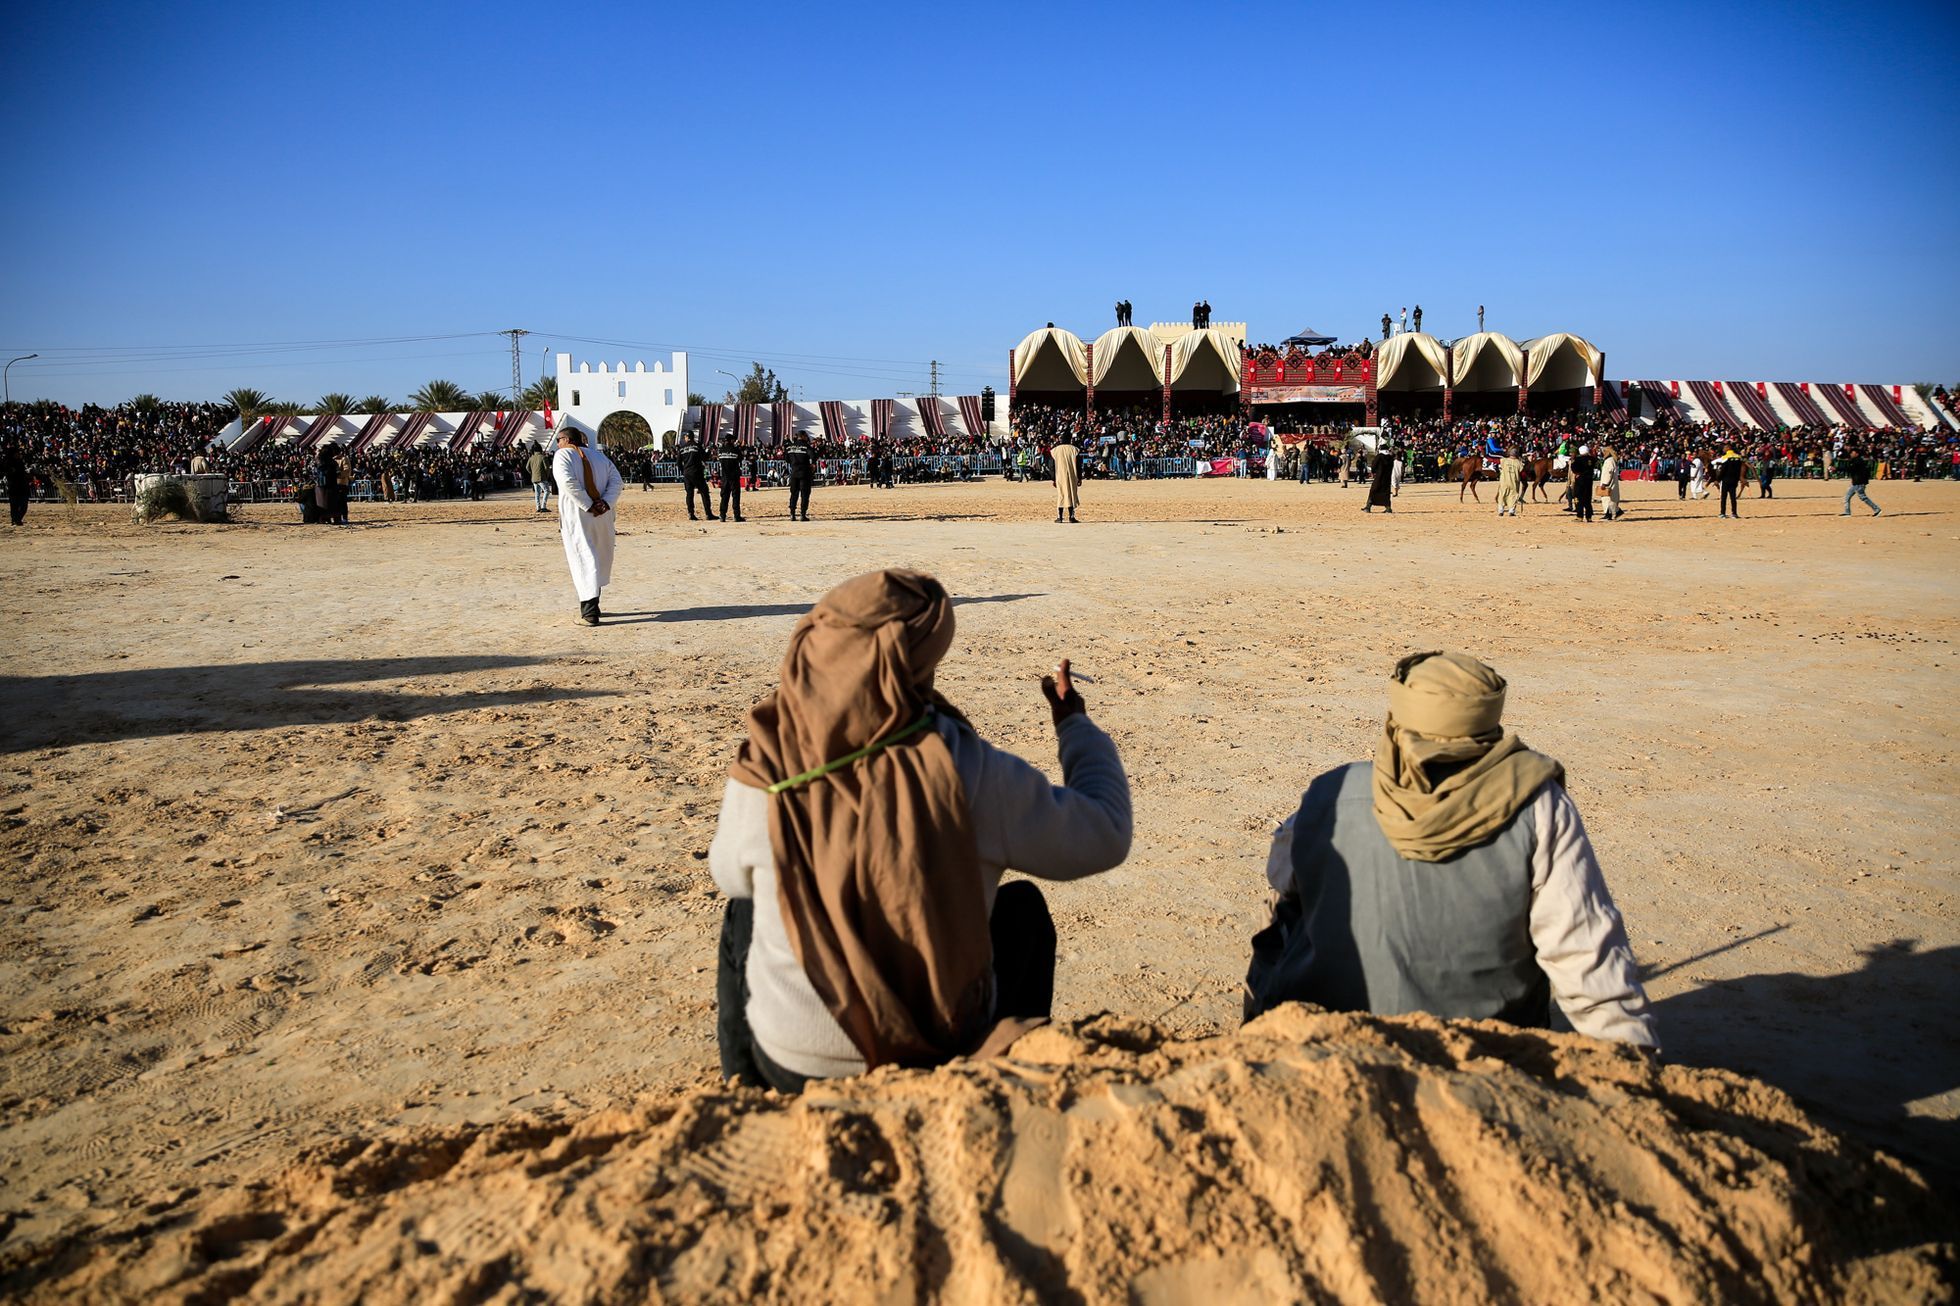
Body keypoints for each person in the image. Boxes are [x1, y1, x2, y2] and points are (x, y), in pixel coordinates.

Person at [709, 569, 1132, 1090]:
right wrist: (1074, 725)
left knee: (744, 909)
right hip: (936, 1050)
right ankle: (999, 1082)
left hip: (794, 1060)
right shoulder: (967, 768)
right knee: (1021, 912)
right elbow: (1105, 831)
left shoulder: (766, 759)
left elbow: (730, 876)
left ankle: (744, 1090)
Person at [1244, 651, 1657, 1049]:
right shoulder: (1539, 803)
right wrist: (1635, 1061)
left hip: (1330, 1038)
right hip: (1489, 1046)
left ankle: (1256, 1036)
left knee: (1283, 903)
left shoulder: (1333, 791)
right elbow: (1584, 953)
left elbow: (1280, 874)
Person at [552, 428, 620, 626]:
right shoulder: (600, 457)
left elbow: (567, 482)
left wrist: (588, 504)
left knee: (583, 556)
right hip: (603, 514)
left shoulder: (563, 455)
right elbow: (617, 482)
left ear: (566, 439)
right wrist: (605, 503)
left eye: (558, 440)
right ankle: (594, 605)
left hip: (579, 514)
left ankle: (589, 612)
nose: (557, 444)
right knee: (597, 556)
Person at [1839, 447, 1882, 517]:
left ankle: (1877, 509)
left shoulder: (1858, 461)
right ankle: (1847, 512)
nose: (1851, 454)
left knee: (1863, 497)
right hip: (1856, 483)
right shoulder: (1856, 461)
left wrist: (1837, 469)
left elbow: (1850, 469)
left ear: (1857, 454)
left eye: (1852, 453)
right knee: (1847, 497)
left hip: (1858, 483)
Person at [677, 435, 712, 521]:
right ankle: (708, 514)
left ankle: (691, 514)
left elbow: (678, 462)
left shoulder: (682, 448)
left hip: (687, 473)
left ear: (687, 437)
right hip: (697, 472)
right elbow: (704, 458)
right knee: (704, 492)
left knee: (689, 494)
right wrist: (709, 450)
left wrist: (683, 471)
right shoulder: (697, 446)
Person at [783, 428, 815, 521]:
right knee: (804, 494)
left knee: (794, 494)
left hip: (794, 472)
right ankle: (802, 515)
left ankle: (792, 514)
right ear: (803, 436)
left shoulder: (790, 447)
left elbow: (786, 459)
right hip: (805, 472)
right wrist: (812, 465)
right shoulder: (806, 446)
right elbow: (813, 456)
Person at [1052, 431, 1081, 523]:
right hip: (1072, 475)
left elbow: (1052, 466)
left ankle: (1060, 517)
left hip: (1059, 475)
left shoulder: (1055, 450)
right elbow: (1078, 466)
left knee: (1061, 495)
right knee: (1071, 494)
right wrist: (1080, 477)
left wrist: (1053, 478)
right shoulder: (1074, 449)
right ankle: (1071, 517)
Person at [716, 435, 745, 522]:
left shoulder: (721, 450)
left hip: (724, 476)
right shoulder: (735, 450)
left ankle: (722, 515)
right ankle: (736, 516)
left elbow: (719, 460)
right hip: (734, 476)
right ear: (732, 440)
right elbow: (741, 458)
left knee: (724, 496)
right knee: (735, 496)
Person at [4, 441, 31, 526]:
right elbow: (8, 474)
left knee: (24, 506)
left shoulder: (20, 462)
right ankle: (15, 520)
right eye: (17, 453)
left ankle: (18, 519)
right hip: (13, 487)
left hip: (22, 487)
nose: (18, 454)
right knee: (14, 506)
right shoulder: (8, 463)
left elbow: (22, 473)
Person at [1714, 446, 1745, 519]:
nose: (1723, 449)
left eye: (1724, 448)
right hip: (1734, 480)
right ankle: (1734, 513)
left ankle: (1723, 513)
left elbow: (1723, 470)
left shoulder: (1725, 457)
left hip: (1726, 479)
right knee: (1733, 497)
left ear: (1728, 449)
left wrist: (1718, 479)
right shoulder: (1738, 457)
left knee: (1724, 497)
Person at [1363, 440, 1394, 513]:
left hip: (1379, 477)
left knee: (1373, 491)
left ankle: (1368, 507)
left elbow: (1374, 466)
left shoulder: (1379, 457)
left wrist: (1373, 472)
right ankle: (1388, 508)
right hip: (1387, 478)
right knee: (1385, 492)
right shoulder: (1390, 458)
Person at [1569, 444, 1597, 523]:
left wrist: (1577, 472)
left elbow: (1574, 469)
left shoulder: (1578, 459)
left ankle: (1580, 516)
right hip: (1589, 480)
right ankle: (1589, 516)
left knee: (1578, 497)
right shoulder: (1592, 459)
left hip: (1580, 480)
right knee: (1587, 498)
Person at [1496, 446, 1525, 517]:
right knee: (1513, 496)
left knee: (1502, 495)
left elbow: (1498, 465)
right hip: (1514, 482)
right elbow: (1522, 473)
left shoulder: (1503, 460)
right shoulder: (1519, 463)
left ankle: (1501, 510)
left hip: (1504, 481)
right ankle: (1511, 511)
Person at [1599, 445, 1623, 521]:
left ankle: (1610, 514)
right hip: (1611, 483)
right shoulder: (1611, 460)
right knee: (1610, 499)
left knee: (1608, 499)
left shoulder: (1609, 461)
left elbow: (1609, 473)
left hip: (1608, 484)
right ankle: (1613, 513)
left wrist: (1605, 483)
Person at [528, 444, 552, 512]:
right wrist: (547, 475)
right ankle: (543, 506)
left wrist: (532, 473)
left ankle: (538, 507)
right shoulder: (543, 457)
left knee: (537, 493)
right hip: (542, 477)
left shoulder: (531, 458)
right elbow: (547, 468)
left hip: (534, 478)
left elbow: (527, 467)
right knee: (547, 491)